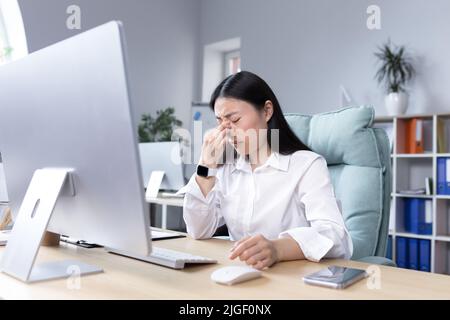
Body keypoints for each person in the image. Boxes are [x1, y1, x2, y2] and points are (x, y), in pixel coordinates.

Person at [179, 71, 353, 270]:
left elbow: (335, 236)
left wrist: (277, 249)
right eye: (220, 122)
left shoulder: (306, 165)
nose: (226, 131)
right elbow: (197, 230)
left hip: (293, 280)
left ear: (267, 111)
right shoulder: (226, 169)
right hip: (239, 276)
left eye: (234, 120)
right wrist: (205, 166)